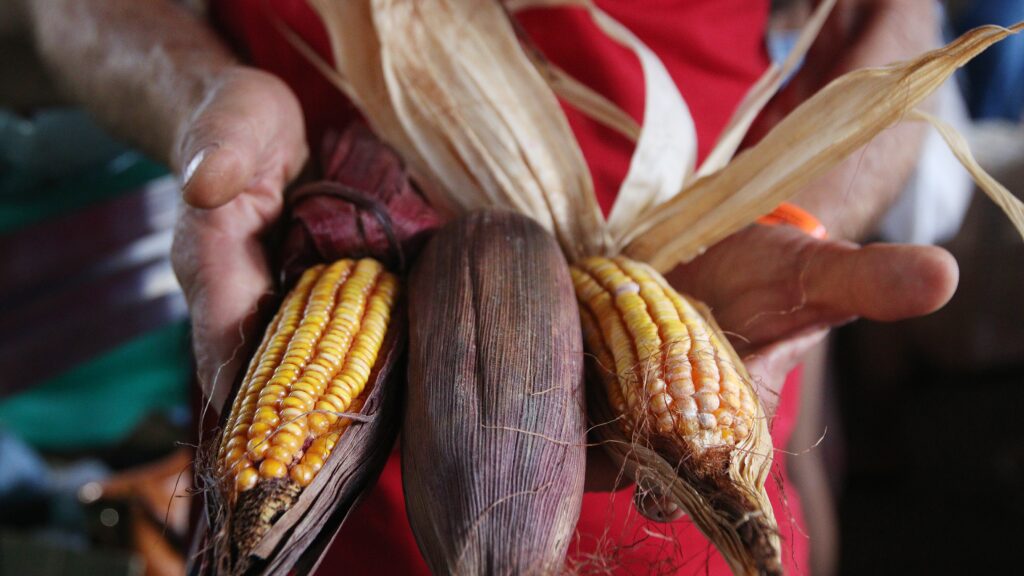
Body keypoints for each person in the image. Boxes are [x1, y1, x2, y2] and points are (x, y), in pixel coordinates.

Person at [28, 0, 958, 573]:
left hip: (709, 358)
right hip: (307, 488)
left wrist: (799, 217)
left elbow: (891, 18)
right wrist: (198, 100)